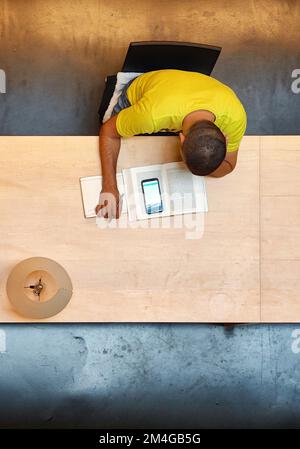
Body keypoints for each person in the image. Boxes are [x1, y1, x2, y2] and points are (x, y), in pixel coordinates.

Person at [96, 69, 247, 219]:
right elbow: (108, 133)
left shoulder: (235, 116)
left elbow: (228, 167)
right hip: (146, 91)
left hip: (186, 92)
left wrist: (216, 154)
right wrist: (109, 187)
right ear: (180, 139)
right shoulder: (150, 116)